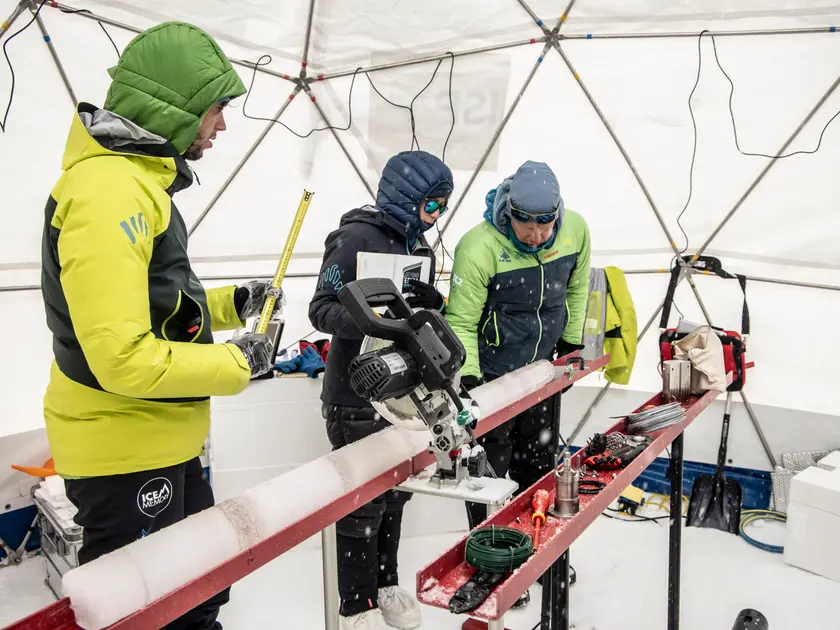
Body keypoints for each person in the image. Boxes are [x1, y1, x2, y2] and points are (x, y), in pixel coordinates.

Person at [40, 22, 279, 630]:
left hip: (158, 439)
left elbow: (156, 302)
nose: (221, 125)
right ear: (175, 105)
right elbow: (119, 355)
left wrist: (231, 304)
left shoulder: (137, 184)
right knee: (152, 616)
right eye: (216, 109)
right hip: (123, 450)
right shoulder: (108, 192)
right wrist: (237, 364)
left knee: (197, 600)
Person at [309, 149, 453, 630]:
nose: (435, 218)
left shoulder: (421, 249)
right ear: (406, 196)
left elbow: (420, 317)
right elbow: (320, 309)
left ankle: (386, 583)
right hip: (355, 395)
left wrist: (431, 306)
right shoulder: (354, 239)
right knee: (362, 500)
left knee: (396, 493)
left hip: (401, 394)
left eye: (442, 208)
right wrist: (371, 318)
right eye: (431, 206)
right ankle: (356, 605)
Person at [445, 160, 591, 603]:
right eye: (525, 226)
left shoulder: (576, 231)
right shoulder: (478, 246)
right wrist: (469, 379)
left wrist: (570, 344)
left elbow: (578, 286)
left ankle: (538, 557)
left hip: (540, 375)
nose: (535, 237)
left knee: (538, 470)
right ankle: (492, 563)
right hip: (491, 379)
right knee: (489, 477)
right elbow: (461, 319)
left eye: (545, 227)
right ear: (508, 212)